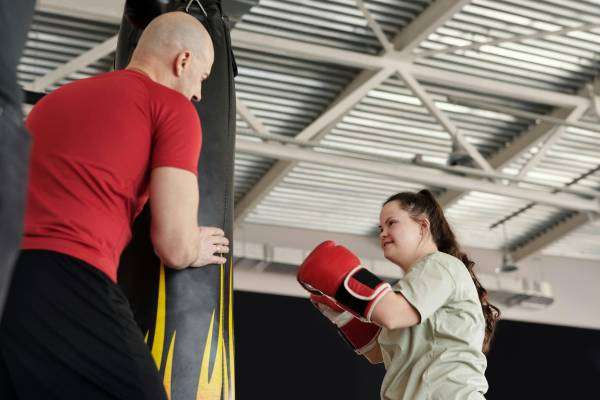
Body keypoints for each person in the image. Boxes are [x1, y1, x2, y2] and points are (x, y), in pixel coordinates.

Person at [0, 11, 229, 399]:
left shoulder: (54, 101)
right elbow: (173, 245)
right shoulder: (173, 109)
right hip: (69, 275)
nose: (200, 94)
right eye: (203, 78)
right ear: (184, 61)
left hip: (7, 284)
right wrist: (194, 247)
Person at [298, 189, 500, 400]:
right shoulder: (411, 289)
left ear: (423, 227)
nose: (383, 233)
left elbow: (391, 314)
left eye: (392, 223)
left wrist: (342, 277)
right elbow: (378, 352)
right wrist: (342, 311)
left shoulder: (439, 265)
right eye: (380, 228)